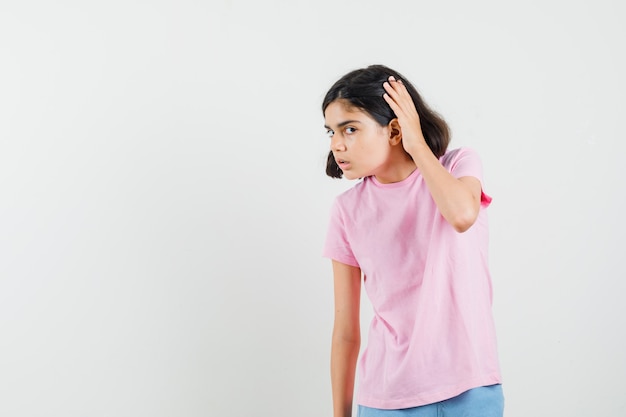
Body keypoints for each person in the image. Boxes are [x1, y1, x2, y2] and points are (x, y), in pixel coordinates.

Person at [322, 65, 503, 417]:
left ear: (394, 130)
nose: (336, 144)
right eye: (330, 131)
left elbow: (462, 216)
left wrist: (416, 144)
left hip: (473, 391)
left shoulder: (458, 166)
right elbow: (345, 331)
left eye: (350, 129)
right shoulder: (347, 210)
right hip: (388, 400)